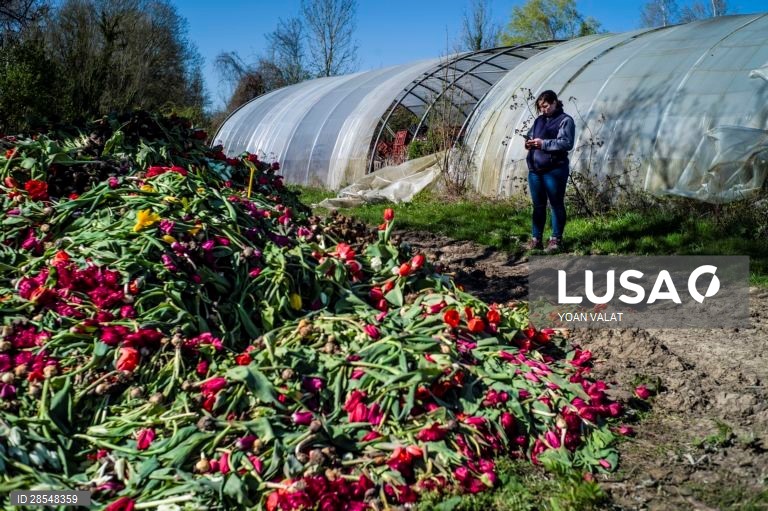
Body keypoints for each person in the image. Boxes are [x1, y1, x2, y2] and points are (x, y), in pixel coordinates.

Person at [523, 90, 575, 253]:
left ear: (554, 103)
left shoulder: (565, 120)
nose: (543, 110)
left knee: (555, 204)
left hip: (554, 170)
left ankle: (555, 240)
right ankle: (536, 239)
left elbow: (566, 143)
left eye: (545, 106)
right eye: (540, 107)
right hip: (535, 170)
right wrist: (528, 143)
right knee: (538, 205)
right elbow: (529, 135)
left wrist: (543, 144)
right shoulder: (539, 120)